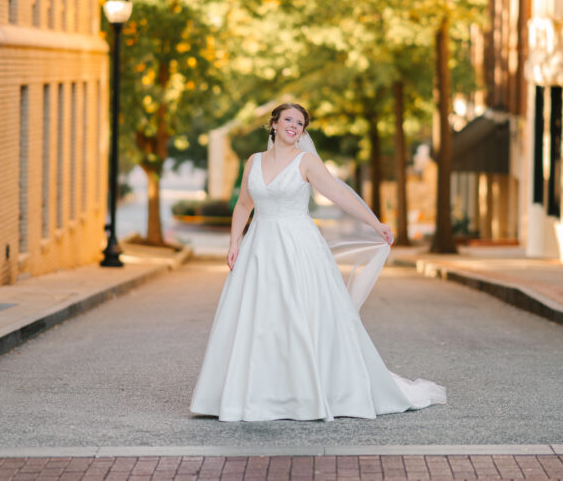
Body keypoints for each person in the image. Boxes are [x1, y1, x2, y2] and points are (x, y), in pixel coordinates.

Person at [190, 102, 446, 422]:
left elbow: (340, 195)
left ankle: (307, 393)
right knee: (259, 320)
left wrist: (375, 222)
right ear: (274, 123)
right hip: (259, 249)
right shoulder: (253, 162)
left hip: (298, 249)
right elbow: (244, 204)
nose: (293, 126)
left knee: (299, 317)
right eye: (288, 119)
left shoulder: (307, 162)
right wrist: (234, 242)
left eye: (300, 122)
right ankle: (258, 394)